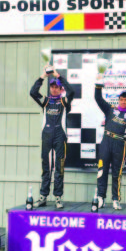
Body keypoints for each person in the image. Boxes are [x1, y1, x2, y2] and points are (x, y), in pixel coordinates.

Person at [30, 65, 74, 209]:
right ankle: (43, 196)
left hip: (60, 137)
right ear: (49, 88)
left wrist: (57, 74)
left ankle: (58, 198)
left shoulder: (64, 102)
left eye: (57, 87)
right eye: (52, 87)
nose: (54, 89)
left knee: (59, 169)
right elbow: (33, 92)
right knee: (46, 168)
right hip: (47, 138)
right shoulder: (46, 101)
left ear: (61, 89)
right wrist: (44, 76)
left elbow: (72, 91)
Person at [95, 76, 126, 210]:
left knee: (116, 173)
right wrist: (98, 85)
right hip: (106, 142)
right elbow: (98, 98)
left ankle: (115, 199)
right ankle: (101, 198)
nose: (123, 101)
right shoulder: (110, 109)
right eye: (121, 99)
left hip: (120, 145)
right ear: (118, 100)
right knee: (102, 171)